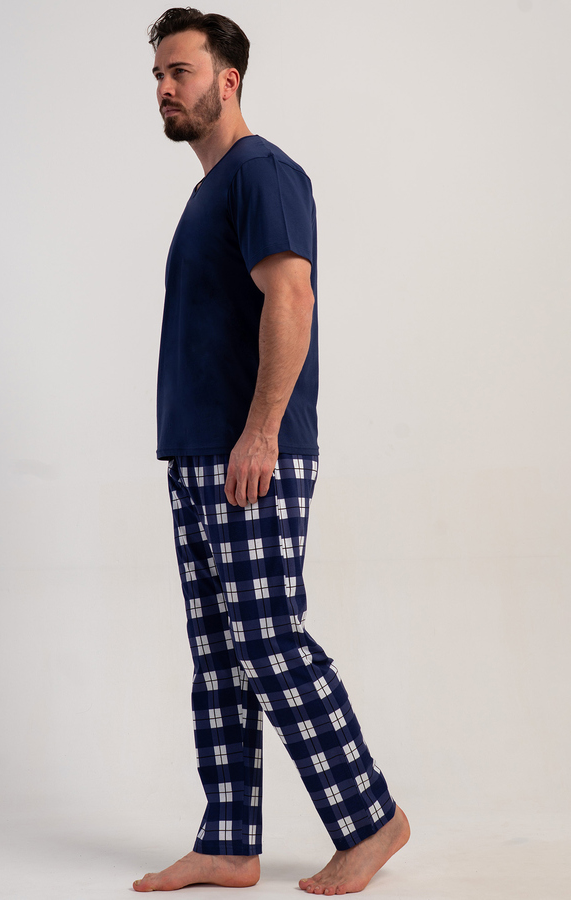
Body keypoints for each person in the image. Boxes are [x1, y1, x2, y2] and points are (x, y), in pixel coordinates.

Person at [133, 8, 409, 895]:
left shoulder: (261, 171)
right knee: (220, 655)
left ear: (229, 80)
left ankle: (370, 819)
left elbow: (292, 298)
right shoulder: (212, 187)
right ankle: (228, 842)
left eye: (180, 71)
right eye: (158, 75)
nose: (164, 87)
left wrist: (260, 433)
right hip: (199, 456)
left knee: (268, 641)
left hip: (250, 452)